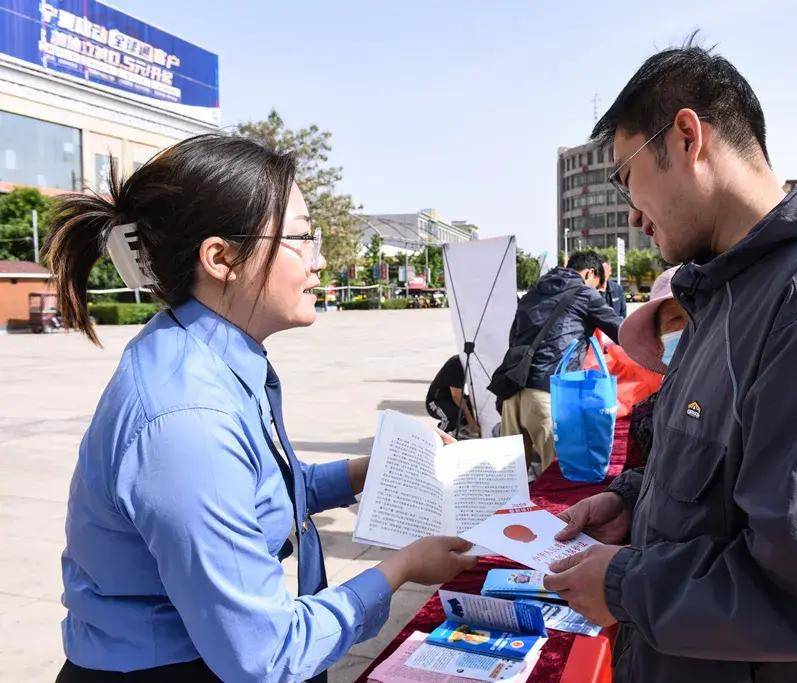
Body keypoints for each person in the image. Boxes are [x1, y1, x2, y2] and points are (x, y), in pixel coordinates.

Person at [543, 40, 797, 681]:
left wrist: (627, 586)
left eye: (627, 176)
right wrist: (634, 503)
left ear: (686, 138)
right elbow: (727, 478)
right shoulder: (734, 292)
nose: (631, 213)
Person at [48, 135, 476, 682]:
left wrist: (375, 468)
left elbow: (263, 491)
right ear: (221, 258)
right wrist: (402, 568)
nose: (321, 260)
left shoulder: (209, 356)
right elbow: (265, 655)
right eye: (301, 238)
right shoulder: (187, 422)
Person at [499, 250, 623, 473]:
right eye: (598, 285)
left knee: (510, 482)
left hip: (512, 392)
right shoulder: (584, 293)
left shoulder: (533, 293)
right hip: (549, 394)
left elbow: (513, 338)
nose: (597, 290)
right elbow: (622, 332)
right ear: (590, 273)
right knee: (556, 480)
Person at [616, 265, 685, 469]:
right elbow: (639, 477)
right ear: (657, 339)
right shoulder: (647, 416)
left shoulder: (739, 398)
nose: (689, 327)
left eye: (697, 313)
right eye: (676, 319)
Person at [425, 354, 479, 438]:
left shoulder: (473, 362)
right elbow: (456, 397)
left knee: (471, 406)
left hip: (450, 399)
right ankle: (439, 437)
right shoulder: (457, 365)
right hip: (436, 402)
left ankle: (461, 429)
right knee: (453, 415)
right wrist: (471, 421)